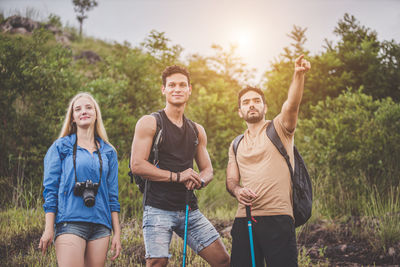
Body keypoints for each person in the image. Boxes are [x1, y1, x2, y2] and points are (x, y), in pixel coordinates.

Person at [130, 65, 230, 267]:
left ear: (189, 89)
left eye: (182, 85)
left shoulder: (196, 130)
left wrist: (200, 180)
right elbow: (137, 165)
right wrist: (178, 176)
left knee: (222, 260)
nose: (177, 89)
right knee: (158, 262)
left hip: (188, 208)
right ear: (163, 89)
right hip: (157, 207)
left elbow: (208, 170)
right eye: (172, 85)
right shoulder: (150, 122)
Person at [226, 55, 311, 267]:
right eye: (246, 102)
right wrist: (237, 191)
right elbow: (231, 180)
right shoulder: (236, 143)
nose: (251, 105)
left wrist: (298, 75)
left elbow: (292, 104)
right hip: (244, 219)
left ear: (265, 107)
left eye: (257, 101)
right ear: (240, 112)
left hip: (279, 218)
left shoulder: (280, 129)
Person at [38, 92, 121, 266]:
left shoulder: (108, 152)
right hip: (70, 222)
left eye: (89, 107)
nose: (84, 111)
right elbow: (50, 190)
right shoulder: (61, 147)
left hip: (101, 225)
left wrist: (117, 233)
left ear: (96, 114)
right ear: (73, 118)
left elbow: (113, 196)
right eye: (78, 109)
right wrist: (48, 228)